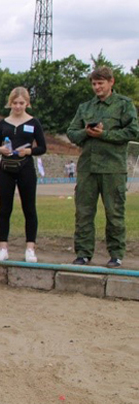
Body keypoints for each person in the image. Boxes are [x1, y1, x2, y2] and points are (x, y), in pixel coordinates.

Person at [66, 66, 139, 268]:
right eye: (94, 83)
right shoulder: (85, 107)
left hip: (113, 168)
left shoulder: (124, 105)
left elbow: (133, 131)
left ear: (111, 82)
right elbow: (72, 132)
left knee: (114, 213)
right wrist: (86, 133)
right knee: (83, 212)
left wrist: (105, 134)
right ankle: (83, 253)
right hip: (88, 168)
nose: (97, 87)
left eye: (101, 83)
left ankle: (116, 254)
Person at [0, 87, 47, 263]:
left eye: (21, 103)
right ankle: (2, 248)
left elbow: (42, 147)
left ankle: (30, 248)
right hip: (6, 168)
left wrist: (28, 151)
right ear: (10, 103)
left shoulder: (33, 123)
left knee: (29, 208)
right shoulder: (3, 123)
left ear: (27, 103)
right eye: (14, 103)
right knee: (4, 209)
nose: (18, 106)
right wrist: (0, 149)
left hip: (25, 168)